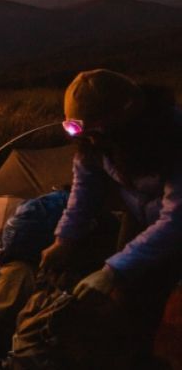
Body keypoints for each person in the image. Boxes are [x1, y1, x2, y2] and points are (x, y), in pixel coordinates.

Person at [38, 69, 181, 363]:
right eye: (77, 130)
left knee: (160, 297)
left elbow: (176, 220)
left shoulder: (173, 137)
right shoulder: (97, 143)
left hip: (173, 222)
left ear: (124, 121)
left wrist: (111, 270)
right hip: (140, 217)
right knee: (124, 294)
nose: (88, 141)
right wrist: (63, 240)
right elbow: (84, 191)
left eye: (95, 132)